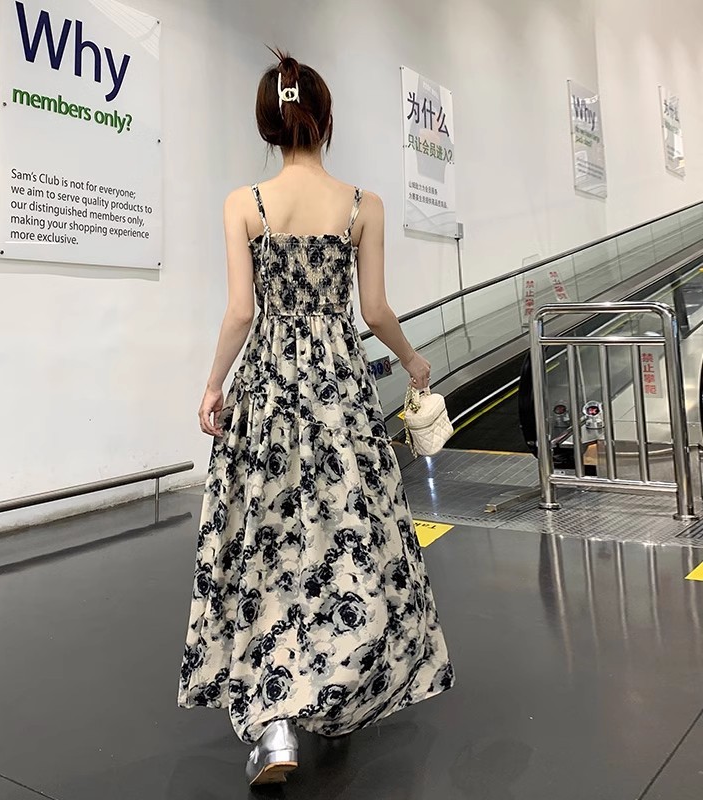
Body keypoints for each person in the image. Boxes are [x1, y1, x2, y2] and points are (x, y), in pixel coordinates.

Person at [178, 50, 454, 787]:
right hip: (338, 390)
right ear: (325, 120)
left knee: (266, 540)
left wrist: (213, 385)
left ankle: (275, 727)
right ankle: (339, 686)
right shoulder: (363, 206)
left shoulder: (245, 204)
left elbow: (242, 311)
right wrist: (414, 361)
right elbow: (375, 310)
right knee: (346, 534)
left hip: (269, 388)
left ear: (267, 124)